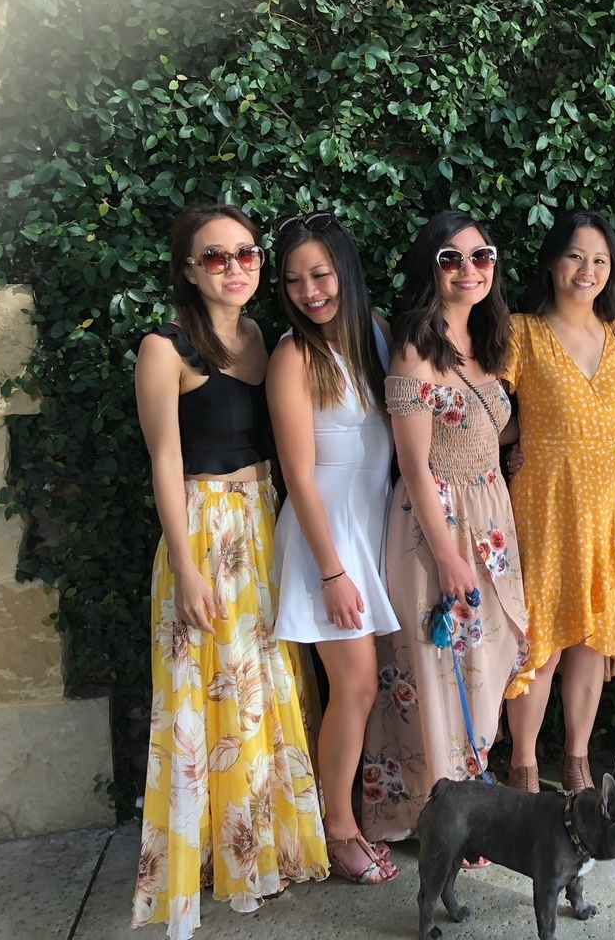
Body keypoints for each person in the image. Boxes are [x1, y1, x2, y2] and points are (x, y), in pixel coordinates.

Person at [131, 204, 328, 938]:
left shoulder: (268, 338)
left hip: (265, 526)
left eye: (245, 253)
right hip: (204, 535)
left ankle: (265, 849)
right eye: (215, 257)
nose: (235, 267)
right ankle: (219, 861)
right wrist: (185, 568)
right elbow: (164, 459)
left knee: (267, 694)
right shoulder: (166, 348)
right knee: (203, 704)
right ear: (187, 269)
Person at [360, 210, 528, 843]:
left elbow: (485, 424)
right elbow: (413, 461)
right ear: (429, 268)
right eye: (451, 259)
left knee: (489, 664)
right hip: (437, 528)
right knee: (435, 672)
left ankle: (471, 807)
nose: (468, 270)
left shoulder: (490, 340)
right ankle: (437, 821)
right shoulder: (415, 347)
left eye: (480, 256)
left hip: (491, 519)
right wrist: (449, 557)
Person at [267, 212, 400, 882]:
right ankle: (339, 830)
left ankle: (357, 814)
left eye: (320, 274)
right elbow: (299, 474)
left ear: (345, 270)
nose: (309, 290)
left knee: (362, 689)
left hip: (370, 530)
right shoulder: (293, 355)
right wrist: (332, 573)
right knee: (355, 686)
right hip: (326, 541)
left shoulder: (374, 338)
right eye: (294, 280)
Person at [502, 209, 615, 794]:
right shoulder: (522, 332)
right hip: (543, 504)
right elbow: (488, 414)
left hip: (604, 504)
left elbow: (613, 419)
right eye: (576, 256)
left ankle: (578, 759)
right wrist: (513, 449)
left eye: (600, 260)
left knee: (590, 641)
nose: (588, 270)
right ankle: (524, 763)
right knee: (542, 642)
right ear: (553, 263)